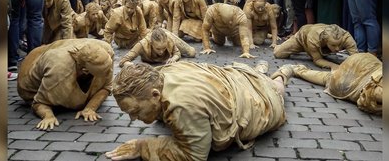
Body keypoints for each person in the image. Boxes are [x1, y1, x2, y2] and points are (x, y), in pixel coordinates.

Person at [105, 60, 286, 160]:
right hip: (232, 76)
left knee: (276, 89)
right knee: (253, 74)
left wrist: (142, 147)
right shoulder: (160, 73)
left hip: (258, 102)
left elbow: (193, 156)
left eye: (135, 111)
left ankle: (283, 74)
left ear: (155, 95)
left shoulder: (183, 105)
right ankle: (259, 69)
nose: (132, 118)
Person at [17, 39, 114, 130]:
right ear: (85, 70)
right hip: (32, 70)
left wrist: (90, 108)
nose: (110, 72)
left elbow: (106, 86)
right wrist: (48, 116)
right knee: (68, 97)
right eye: (105, 71)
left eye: (109, 67)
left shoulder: (106, 50)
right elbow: (39, 102)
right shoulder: (59, 70)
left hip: (59, 47)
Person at [277, 53, 382, 114]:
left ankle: (295, 70)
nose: (336, 49)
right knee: (329, 78)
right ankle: (295, 70)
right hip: (355, 71)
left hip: (365, 65)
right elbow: (365, 101)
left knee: (327, 77)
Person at [273, 23, 358, 69]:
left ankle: (313, 51)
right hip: (302, 38)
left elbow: (356, 57)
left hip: (315, 44)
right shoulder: (313, 39)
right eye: (333, 45)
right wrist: (335, 66)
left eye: (340, 44)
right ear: (325, 40)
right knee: (278, 53)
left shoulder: (346, 37)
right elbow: (318, 60)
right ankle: (285, 45)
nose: (338, 49)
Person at [119, 27, 196, 67]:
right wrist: (131, 65)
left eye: (164, 48)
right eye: (158, 49)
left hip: (166, 34)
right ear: (151, 44)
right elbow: (123, 61)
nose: (161, 51)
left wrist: (173, 58)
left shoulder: (169, 40)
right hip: (153, 35)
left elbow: (177, 53)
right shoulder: (142, 44)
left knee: (192, 53)